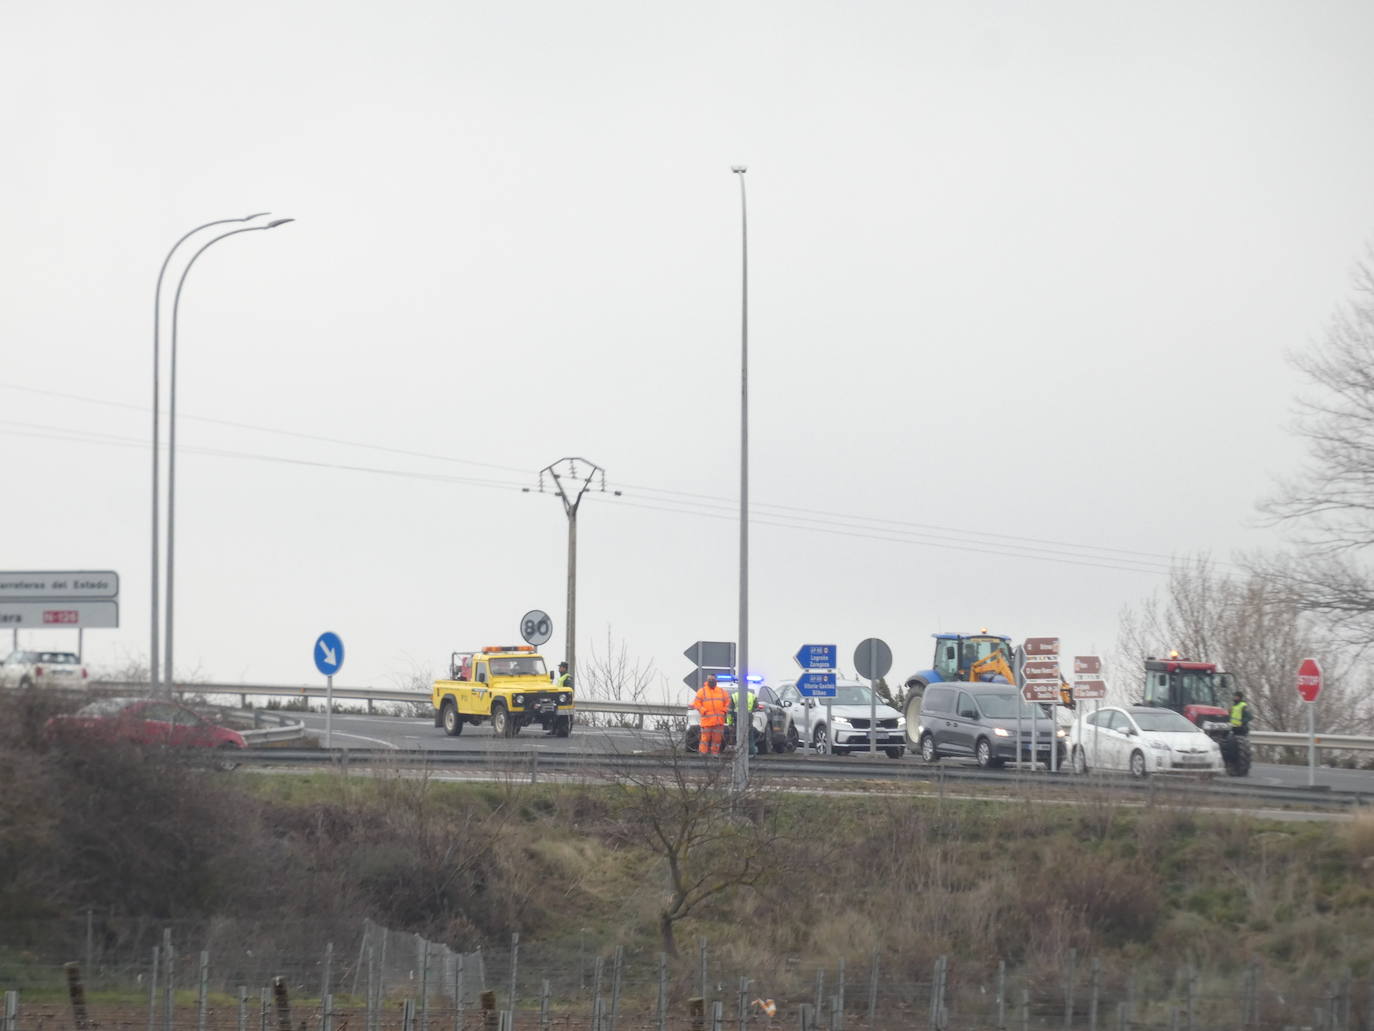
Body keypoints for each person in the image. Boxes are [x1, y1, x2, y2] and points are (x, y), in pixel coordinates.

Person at [691, 673, 731, 754]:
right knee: (705, 739)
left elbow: (728, 703)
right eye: (710, 680)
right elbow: (696, 703)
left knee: (717, 740)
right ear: (707, 680)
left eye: (713, 680)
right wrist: (703, 711)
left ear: (716, 681)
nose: (711, 681)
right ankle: (703, 753)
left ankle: (714, 753)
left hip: (718, 721)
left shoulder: (722, 692)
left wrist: (723, 711)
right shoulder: (702, 692)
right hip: (707, 721)